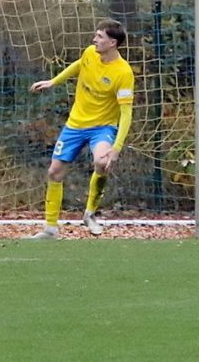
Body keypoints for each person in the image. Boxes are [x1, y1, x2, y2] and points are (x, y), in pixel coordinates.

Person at [28, 19, 135, 239]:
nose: (94, 40)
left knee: (102, 162)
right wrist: (53, 81)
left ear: (112, 43)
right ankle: (50, 229)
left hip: (102, 127)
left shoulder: (123, 73)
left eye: (100, 37)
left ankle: (89, 213)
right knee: (54, 172)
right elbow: (79, 65)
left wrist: (116, 147)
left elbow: (126, 113)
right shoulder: (90, 53)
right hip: (75, 124)